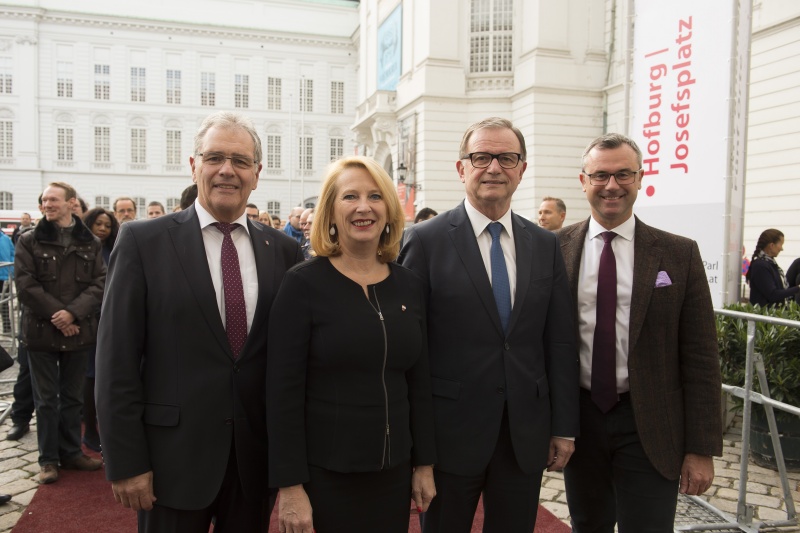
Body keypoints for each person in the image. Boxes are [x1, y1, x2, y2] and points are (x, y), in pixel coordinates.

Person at [96, 111, 303, 533]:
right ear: (194, 166)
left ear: (257, 174)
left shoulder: (283, 252)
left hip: (252, 465)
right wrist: (127, 461)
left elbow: (288, 368)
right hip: (170, 461)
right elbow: (116, 360)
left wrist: (290, 468)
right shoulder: (143, 241)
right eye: (215, 157)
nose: (227, 170)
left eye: (241, 161)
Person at [399, 117, 579, 532]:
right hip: (449, 437)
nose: (494, 167)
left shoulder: (546, 244)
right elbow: (414, 350)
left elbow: (559, 341)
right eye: (481, 157)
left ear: (522, 169)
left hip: (524, 437)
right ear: (462, 169)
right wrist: (418, 448)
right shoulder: (425, 241)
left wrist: (564, 427)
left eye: (506, 157)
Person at [557, 133, 723, 531]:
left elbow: (700, 355)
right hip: (580, 420)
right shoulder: (553, 249)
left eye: (623, 175)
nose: (611, 185)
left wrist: (701, 449)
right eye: (600, 176)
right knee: (588, 525)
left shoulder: (679, 253)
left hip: (649, 422)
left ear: (640, 179)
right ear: (583, 182)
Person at [268, 156, 437, 533]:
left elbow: (419, 382)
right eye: (350, 197)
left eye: (375, 196)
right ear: (329, 212)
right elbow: (282, 393)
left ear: (389, 210)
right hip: (325, 475)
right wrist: (290, 487)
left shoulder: (410, 285)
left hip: (393, 473)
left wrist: (424, 463)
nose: (364, 207)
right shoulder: (302, 285)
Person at [14, 182, 106, 484]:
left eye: (53, 200)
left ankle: (71, 453)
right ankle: (48, 460)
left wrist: (73, 313)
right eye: (43, 200)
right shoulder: (28, 240)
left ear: (71, 203)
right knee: (45, 401)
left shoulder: (89, 241)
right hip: (41, 333)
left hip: (78, 331)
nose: (46, 205)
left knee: (72, 398)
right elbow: (26, 285)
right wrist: (61, 316)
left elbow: (100, 282)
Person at [81, 207, 119, 452]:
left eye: (107, 225)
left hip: (110, 317)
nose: (103, 229)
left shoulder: (114, 249)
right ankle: (90, 430)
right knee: (90, 376)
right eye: (98, 224)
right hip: (88, 320)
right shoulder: (84, 249)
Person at [746, 229, 800, 307]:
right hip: (763, 317)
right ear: (772, 245)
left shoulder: (770, 264)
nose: (782, 249)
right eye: (781, 244)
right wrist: (797, 288)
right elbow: (772, 294)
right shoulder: (760, 266)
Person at [0, 231, 13, 334]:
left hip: (5, 275)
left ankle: (7, 326)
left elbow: (13, 254)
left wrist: (11, 270)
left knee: (5, 302)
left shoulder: (5, 238)